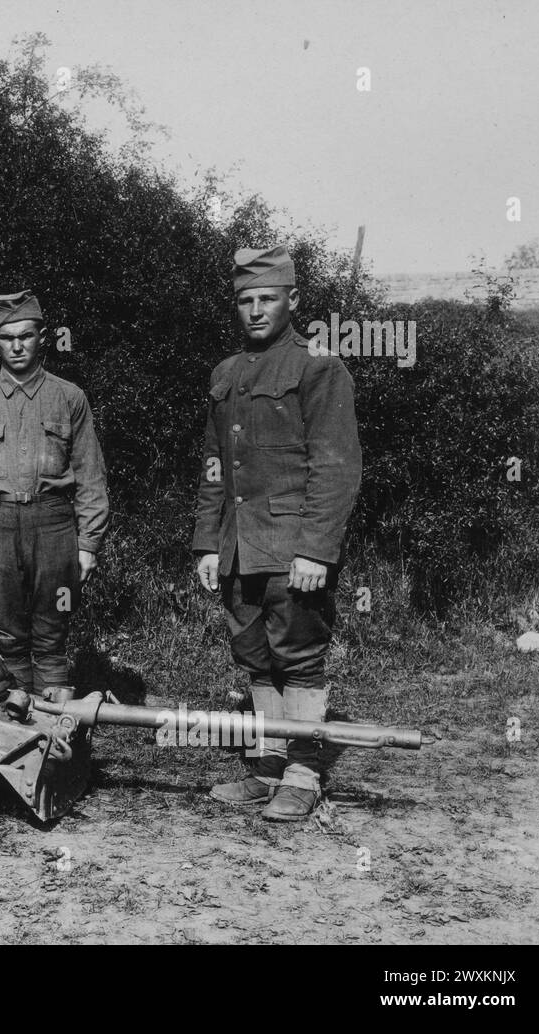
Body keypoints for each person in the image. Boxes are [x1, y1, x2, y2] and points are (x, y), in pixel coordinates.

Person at [192, 246, 362, 821]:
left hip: (292, 547)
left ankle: (303, 771)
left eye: (267, 298)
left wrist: (316, 548)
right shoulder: (225, 374)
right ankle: (267, 765)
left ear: (293, 300)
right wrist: (207, 542)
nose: (256, 310)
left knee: (299, 656)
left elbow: (336, 466)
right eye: (245, 300)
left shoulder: (319, 364)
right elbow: (215, 465)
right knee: (255, 657)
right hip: (239, 544)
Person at [0, 290, 110, 697]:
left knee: (53, 634)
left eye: (26, 335)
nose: (17, 346)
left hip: (54, 529)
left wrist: (88, 544)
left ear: (43, 337)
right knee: (5, 637)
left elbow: (91, 476)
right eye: (7, 338)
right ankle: (23, 730)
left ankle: (58, 740)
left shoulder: (70, 398)